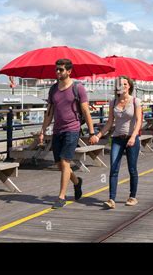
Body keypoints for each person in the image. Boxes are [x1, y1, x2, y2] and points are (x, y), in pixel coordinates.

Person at [39, 58, 98, 209]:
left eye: (61, 70)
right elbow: (49, 113)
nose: (57, 72)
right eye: (56, 69)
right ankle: (77, 182)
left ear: (69, 71)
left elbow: (85, 111)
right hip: (57, 130)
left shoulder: (78, 88)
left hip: (72, 129)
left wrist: (92, 132)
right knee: (60, 165)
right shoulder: (53, 89)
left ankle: (61, 196)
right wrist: (43, 131)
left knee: (65, 162)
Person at [94, 76, 142, 209]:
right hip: (117, 138)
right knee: (114, 168)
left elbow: (139, 121)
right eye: (120, 84)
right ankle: (111, 199)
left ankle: (132, 196)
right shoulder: (113, 102)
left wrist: (133, 136)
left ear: (129, 86)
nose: (123, 86)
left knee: (132, 168)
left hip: (131, 138)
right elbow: (109, 123)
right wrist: (98, 135)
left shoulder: (135, 101)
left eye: (125, 84)